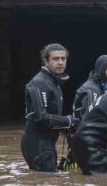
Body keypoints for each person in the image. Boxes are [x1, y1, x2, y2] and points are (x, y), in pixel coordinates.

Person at [21, 43, 76, 172]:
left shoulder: (53, 82)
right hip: (38, 145)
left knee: (50, 184)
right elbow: (41, 117)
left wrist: (67, 125)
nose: (60, 62)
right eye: (56, 59)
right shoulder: (40, 82)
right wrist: (69, 121)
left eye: (63, 59)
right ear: (46, 61)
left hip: (47, 144)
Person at [73, 54, 107, 119]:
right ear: (101, 70)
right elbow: (90, 119)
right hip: (84, 128)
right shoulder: (91, 90)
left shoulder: (103, 87)